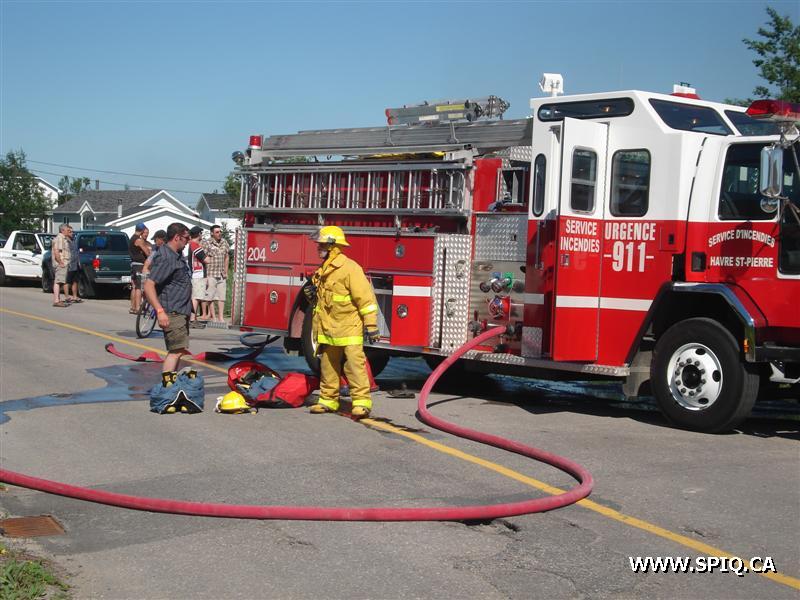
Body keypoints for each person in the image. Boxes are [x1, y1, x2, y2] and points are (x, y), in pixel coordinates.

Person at [307, 225, 380, 419]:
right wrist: (311, 295)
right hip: (328, 327)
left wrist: (371, 325)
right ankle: (328, 400)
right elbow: (323, 302)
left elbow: (365, 300)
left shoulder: (350, 268)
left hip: (349, 327)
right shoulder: (323, 270)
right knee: (328, 366)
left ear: (333, 247)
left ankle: (361, 402)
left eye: (322, 245)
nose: (318, 248)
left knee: (354, 365)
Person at [143, 223, 192, 387]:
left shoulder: (176, 255)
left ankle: (171, 384)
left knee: (179, 350)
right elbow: (149, 285)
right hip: (172, 311)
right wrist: (159, 311)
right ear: (177, 237)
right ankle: (167, 388)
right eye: (186, 237)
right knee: (176, 351)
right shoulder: (167, 257)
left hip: (181, 310)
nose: (188, 241)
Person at [203, 225, 230, 323]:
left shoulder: (224, 242)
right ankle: (213, 317)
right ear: (212, 233)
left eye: (220, 232)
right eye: (217, 232)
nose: (219, 234)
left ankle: (221, 317)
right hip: (211, 273)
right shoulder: (207, 243)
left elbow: (226, 257)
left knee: (221, 296)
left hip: (221, 273)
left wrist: (226, 271)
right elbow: (203, 258)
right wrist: (205, 275)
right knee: (210, 296)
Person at [188, 226, 209, 328]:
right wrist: (210, 255)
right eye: (201, 233)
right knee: (196, 297)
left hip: (197, 274)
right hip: (198, 274)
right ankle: (192, 319)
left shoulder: (192, 245)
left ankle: (193, 318)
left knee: (195, 297)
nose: (202, 235)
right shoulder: (194, 245)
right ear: (198, 234)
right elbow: (206, 260)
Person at [129, 223, 151, 314]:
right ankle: (138, 308)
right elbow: (148, 253)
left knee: (134, 287)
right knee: (139, 287)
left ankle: (133, 307)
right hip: (139, 265)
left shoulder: (132, 238)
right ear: (142, 230)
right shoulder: (138, 240)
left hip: (133, 265)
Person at [51, 224, 71, 307]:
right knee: (58, 281)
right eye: (67, 230)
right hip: (61, 263)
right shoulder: (60, 239)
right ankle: (56, 301)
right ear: (62, 230)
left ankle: (58, 299)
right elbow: (57, 251)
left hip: (63, 263)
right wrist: (60, 262)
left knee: (60, 281)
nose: (69, 231)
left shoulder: (64, 239)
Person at [64, 226, 83, 303]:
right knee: (67, 281)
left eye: (72, 232)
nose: (72, 233)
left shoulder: (74, 241)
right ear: (66, 232)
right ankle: (67, 297)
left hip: (75, 264)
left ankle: (74, 296)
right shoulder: (65, 242)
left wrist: (79, 262)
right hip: (69, 264)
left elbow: (77, 252)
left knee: (75, 281)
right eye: (70, 232)